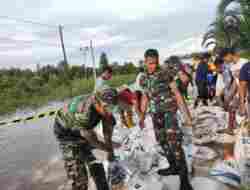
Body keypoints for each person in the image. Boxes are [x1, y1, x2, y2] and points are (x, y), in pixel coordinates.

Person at [136, 50, 193, 190]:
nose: (153, 66)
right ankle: (173, 166)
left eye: (155, 63)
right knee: (162, 141)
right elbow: (145, 97)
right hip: (156, 115)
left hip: (169, 112)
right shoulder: (143, 78)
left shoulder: (165, 74)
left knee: (175, 143)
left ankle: (184, 180)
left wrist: (187, 116)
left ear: (158, 60)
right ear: (145, 61)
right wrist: (142, 117)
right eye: (150, 63)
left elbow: (177, 93)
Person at [53, 88, 118, 190]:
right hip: (67, 134)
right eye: (106, 107)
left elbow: (107, 131)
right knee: (79, 177)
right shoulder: (85, 114)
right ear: (97, 103)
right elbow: (92, 139)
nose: (109, 111)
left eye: (112, 107)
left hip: (82, 129)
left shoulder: (106, 108)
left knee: (96, 165)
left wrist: (110, 151)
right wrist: (106, 148)